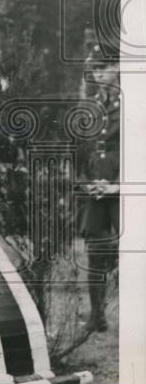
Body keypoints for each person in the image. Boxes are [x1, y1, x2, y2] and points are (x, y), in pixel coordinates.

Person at [81, 140, 119, 332]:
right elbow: (78, 164)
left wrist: (118, 186)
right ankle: (97, 317)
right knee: (96, 263)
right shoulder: (88, 113)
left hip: (127, 203)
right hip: (97, 206)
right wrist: (88, 186)